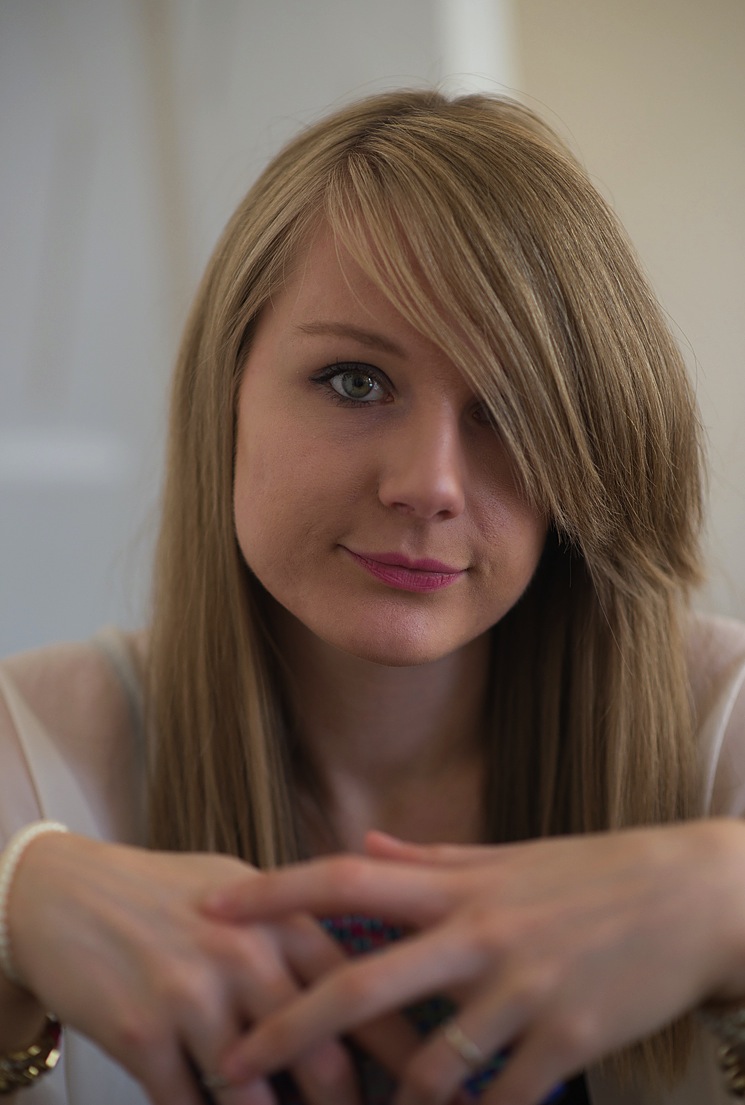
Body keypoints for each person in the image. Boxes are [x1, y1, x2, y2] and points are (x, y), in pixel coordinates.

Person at [0, 88, 744, 1105]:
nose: (429, 484)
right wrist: (15, 908)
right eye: (354, 380)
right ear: (227, 392)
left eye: (509, 409)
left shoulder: (721, 719)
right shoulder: (33, 748)